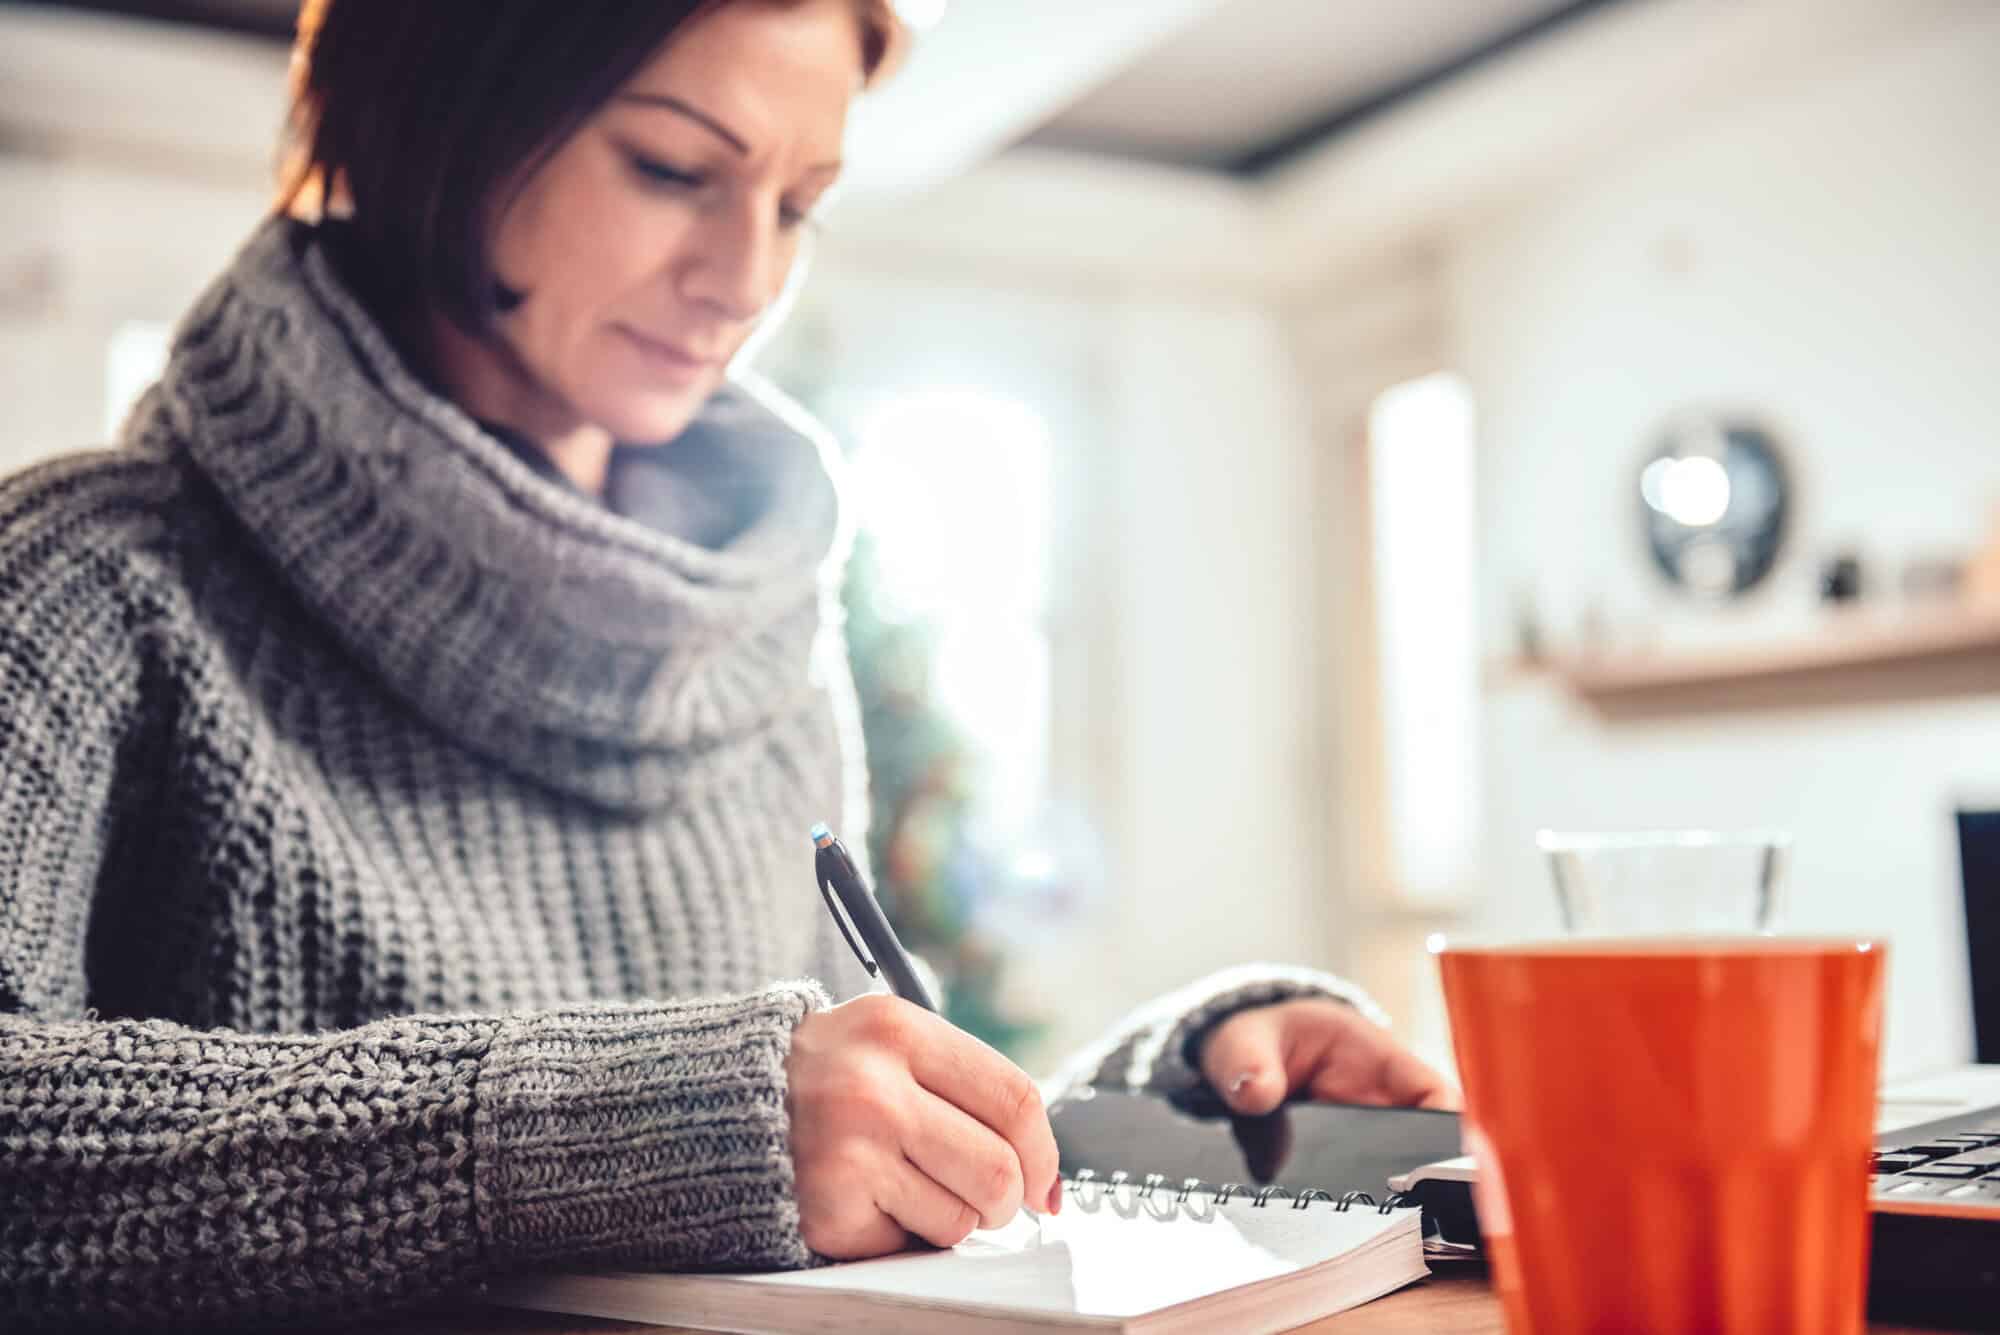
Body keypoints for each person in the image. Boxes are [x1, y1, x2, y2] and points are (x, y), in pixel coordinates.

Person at [0, 0, 1454, 1328]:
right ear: (436, 115)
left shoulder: (766, 654)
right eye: (671, 169)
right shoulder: (89, 583)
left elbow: (835, 1169)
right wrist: (631, 1131)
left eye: (799, 204)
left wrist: (1162, 1109)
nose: (744, 277)